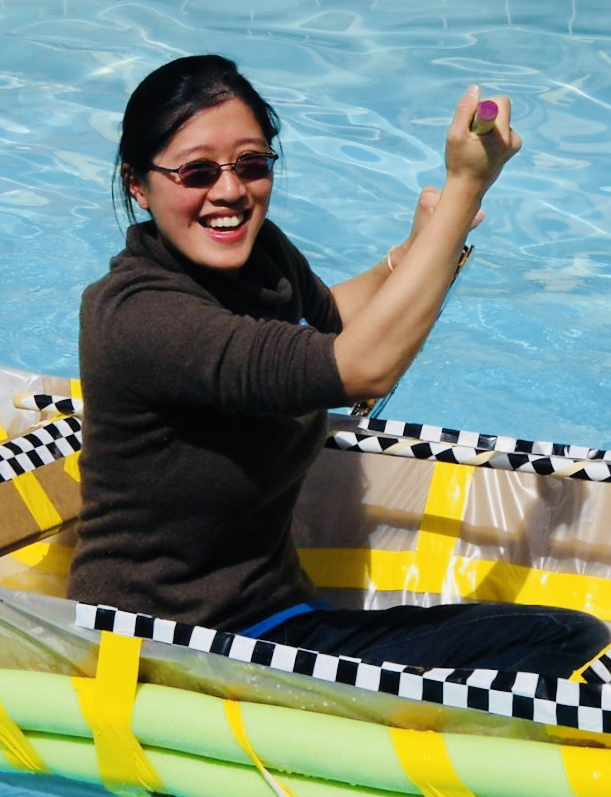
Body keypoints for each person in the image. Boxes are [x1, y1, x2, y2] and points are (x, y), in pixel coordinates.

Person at [68, 55, 610, 678]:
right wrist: (465, 187)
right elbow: (363, 367)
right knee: (563, 643)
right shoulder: (139, 315)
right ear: (139, 184)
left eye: (252, 164)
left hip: (275, 616)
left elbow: (330, 325)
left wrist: (408, 258)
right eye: (195, 172)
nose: (229, 192)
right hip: (168, 641)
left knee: (561, 636)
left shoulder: (259, 257)